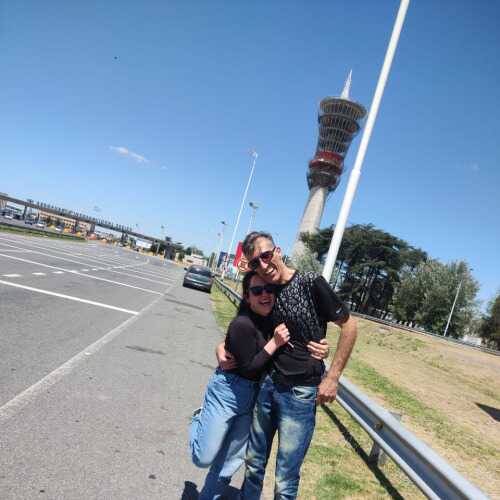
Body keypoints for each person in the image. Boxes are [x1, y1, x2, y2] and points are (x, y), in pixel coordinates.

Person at [217, 231, 358, 500]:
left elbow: (350, 326)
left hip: (300, 394)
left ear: (278, 252)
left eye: (266, 256)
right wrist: (221, 347)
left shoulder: (310, 283)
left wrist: (333, 377)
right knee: (253, 465)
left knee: (285, 479)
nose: (263, 265)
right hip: (267, 385)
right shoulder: (263, 289)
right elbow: (244, 325)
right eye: (255, 262)